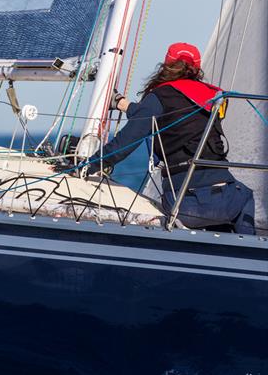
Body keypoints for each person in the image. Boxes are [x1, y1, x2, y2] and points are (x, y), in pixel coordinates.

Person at [84, 42, 255, 234]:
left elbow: (127, 141)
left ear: (165, 66)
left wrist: (89, 164)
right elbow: (179, 118)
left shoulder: (159, 96)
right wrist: (125, 106)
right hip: (228, 198)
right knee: (246, 197)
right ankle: (250, 256)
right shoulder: (211, 97)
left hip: (185, 204)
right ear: (197, 69)